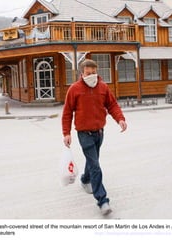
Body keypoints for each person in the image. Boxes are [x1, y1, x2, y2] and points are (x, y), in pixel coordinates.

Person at [61, 59, 127, 216]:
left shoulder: (103, 87)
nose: (91, 76)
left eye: (94, 73)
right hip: (84, 134)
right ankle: (102, 200)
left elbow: (112, 105)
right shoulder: (74, 89)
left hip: (99, 132)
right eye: (88, 73)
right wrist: (66, 133)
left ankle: (85, 180)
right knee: (95, 165)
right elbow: (67, 112)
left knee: (93, 161)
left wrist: (120, 119)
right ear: (81, 73)